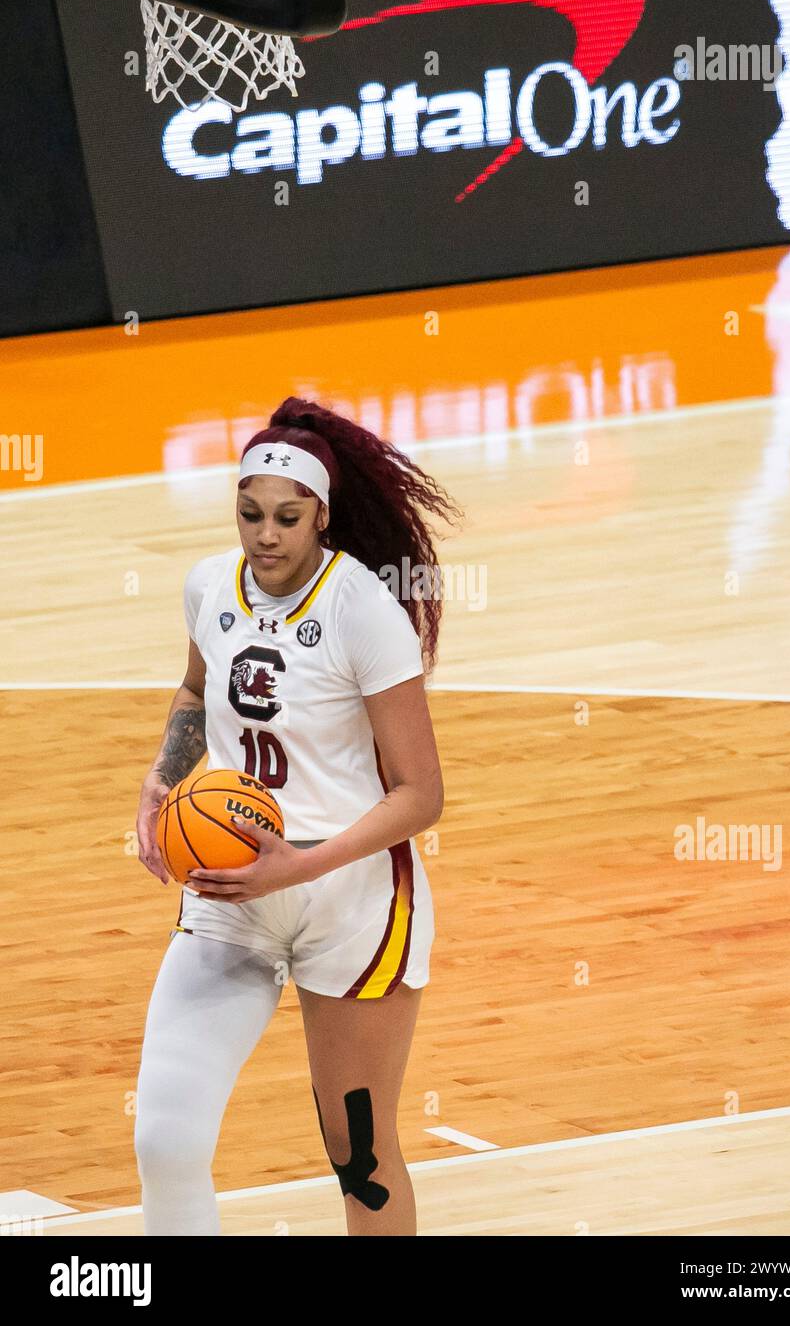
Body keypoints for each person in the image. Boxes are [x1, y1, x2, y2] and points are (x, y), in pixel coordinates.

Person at [133, 395, 462, 1236]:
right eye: (250, 515)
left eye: (287, 517)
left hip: (350, 901)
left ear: (321, 515)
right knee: (165, 1140)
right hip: (227, 892)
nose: (266, 535)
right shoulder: (210, 585)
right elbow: (198, 689)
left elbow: (420, 795)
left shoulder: (363, 612)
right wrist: (163, 780)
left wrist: (297, 865)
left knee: (360, 1159)